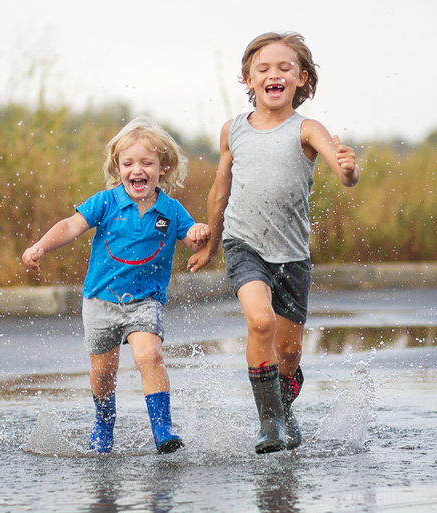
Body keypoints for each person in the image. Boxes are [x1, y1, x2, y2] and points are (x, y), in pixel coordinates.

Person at [187, 32, 360, 454]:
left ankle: (283, 408)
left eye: (285, 68)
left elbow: (343, 173)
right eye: (263, 68)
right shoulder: (233, 131)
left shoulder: (308, 128)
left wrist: (348, 169)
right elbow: (220, 188)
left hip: (292, 255)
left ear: (302, 79)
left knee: (289, 351)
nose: (274, 75)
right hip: (243, 244)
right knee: (260, 322)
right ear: (248, 80)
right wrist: (211, 243)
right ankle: (269, 426)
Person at [23, 116, 210, 454]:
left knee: (150, 355)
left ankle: (163, 429)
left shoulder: (171, 209)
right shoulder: (106, 202)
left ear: (162, 167)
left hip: (145, 301)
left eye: (146, 163)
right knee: (103, 373)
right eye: (128, 163)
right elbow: (70, 226)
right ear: (117, 166)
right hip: (100, 300)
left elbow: (192, 239)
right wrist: (40, 246)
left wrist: (199, 233)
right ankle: (103, 423)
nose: (136, 170)